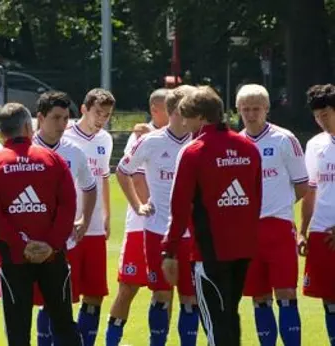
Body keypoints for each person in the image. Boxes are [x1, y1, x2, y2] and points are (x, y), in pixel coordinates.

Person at [162, 86, 262, 346]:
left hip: (210, 250)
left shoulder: (194, 150)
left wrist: (169, 251)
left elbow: (180, 206)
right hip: (244, 248)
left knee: (215, 322)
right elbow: (256, 199)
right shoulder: (248, 147)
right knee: (229, 316)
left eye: (186, 117)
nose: (183, 123)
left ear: (200, 117)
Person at [0, 102, 82, 345]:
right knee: (64, 324)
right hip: (53, 256)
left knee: (17, 329)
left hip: (14, 257)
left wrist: (20, 244)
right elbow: (68, 206)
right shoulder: (52, 159)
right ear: (28, 126)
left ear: (2, 132)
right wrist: (51, 244)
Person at [116, 85, 199, 346]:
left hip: (193, 236)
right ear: (174, 111)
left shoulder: (199, 143)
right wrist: (138, 204)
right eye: (186, 111)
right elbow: (122, 170)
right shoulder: (151, 141)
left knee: (190, 299)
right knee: (161, 296)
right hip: (156, 232)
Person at [237, 84, 307, 346]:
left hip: (278, 228)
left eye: (256, 109)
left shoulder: (283, 139)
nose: (251, 114)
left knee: (286, 293)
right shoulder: (236, 143)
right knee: (259, 296)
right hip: (247, 232)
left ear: (266, 109)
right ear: (238, 111)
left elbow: (302, 185)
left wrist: (279, 206)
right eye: (246, 109)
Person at [31, 91, 97, 346]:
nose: (62, 124)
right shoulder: (26, 149)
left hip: (60, 243)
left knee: (58, 303)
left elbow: (90, 187)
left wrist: (84, 219)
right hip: (28, 243)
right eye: (56, 118)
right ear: (40, 118)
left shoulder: (74, 151)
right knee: (31, 304)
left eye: (65, 118)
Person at [106, 88, 168, 345]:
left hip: (167, 228)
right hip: (141, 227)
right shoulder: (140, 138)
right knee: (128, 288)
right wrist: (146, 206)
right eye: (171, 107)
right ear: (155, 110)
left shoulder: (178, 135)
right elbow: (134, 176)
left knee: (164, 291)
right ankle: (112, 340)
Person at [62, 88, 115, 346]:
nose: (101, 119)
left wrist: (106, 214)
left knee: (94, 295)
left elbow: (103, 177)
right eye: (97, 113)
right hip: (67, 229)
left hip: (93, 227)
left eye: (106, 115)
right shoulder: (64, 136)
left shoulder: (105, 139)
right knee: (61, 295)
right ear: (83, 109)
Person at [301, 84, 335, 344]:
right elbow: (310, 191)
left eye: (326, 114)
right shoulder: (314, 145)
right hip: (321, 232)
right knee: (328, 298)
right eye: (317, 116)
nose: (321, 120)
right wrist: (303, 232)